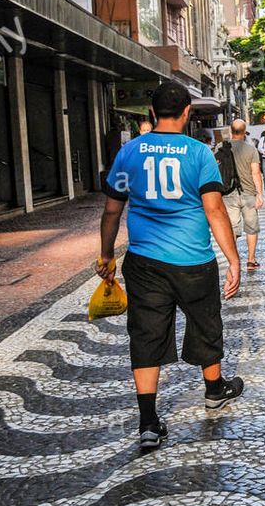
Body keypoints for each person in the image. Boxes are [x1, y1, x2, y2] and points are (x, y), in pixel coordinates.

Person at [96, 82, 244, 452]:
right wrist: (233, 259)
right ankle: (214, 390)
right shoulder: (199, 154)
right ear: (187, 112)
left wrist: (107, 255)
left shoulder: (129, 153)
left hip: (144, 263)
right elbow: (214, 209)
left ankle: (148, 423)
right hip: (193, 259)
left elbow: (112, 211)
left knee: (146, 334)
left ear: (151, 111)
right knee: (204, 321)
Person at [218, 119, 265, 271]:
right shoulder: (251, 150)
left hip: (228, 194)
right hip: (249, 193)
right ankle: (251, 260)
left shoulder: (221, 147)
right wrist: (260, 194)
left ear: (231, 131)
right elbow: (255, 173)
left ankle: (234, 260)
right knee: (251, 228)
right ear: (245, 132)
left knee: (232, 228)